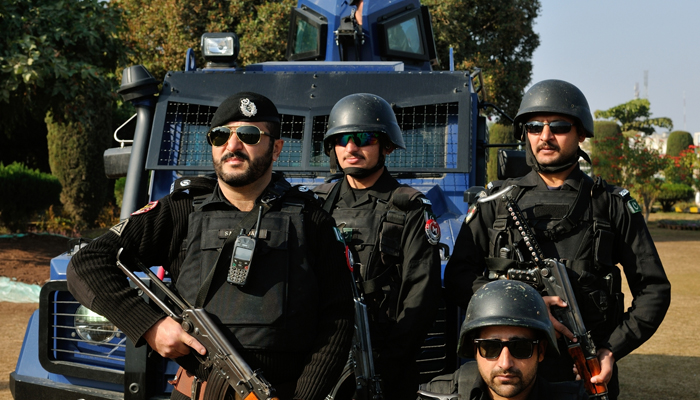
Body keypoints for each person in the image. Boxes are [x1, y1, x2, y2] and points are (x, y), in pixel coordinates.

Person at [67, 92, 354, 400]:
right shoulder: (180, 210)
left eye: (248, 134)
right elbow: (86, 264)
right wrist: (150, 326)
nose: (232, 146)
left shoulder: (311, 220)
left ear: (276, 148)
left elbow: (338, 318)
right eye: (220, 136)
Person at [444, 79, 671, 399]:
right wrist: (524, 305)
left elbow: (654, 290)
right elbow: (458, 278)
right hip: (507, 370)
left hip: (583, 370)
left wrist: (611, 350)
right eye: (535, 126)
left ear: (581, 134)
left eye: (560, 126)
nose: (545, 136)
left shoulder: (611, 205)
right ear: (524, 134)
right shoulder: (495, 202)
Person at [313, 93, 442, 399]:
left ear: (385, 145)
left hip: (383, 360)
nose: (352, 147)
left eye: (364, 137)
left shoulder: (409, 208)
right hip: (322, 358)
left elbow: (421, 297)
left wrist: (389, 362)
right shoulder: (316, 206)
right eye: (342, 139)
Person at [420, 280, 587, 400]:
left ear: (541, 351)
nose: (505, 363)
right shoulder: (439, 394)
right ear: (475, 350)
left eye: (521, 348)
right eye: (490, 347)